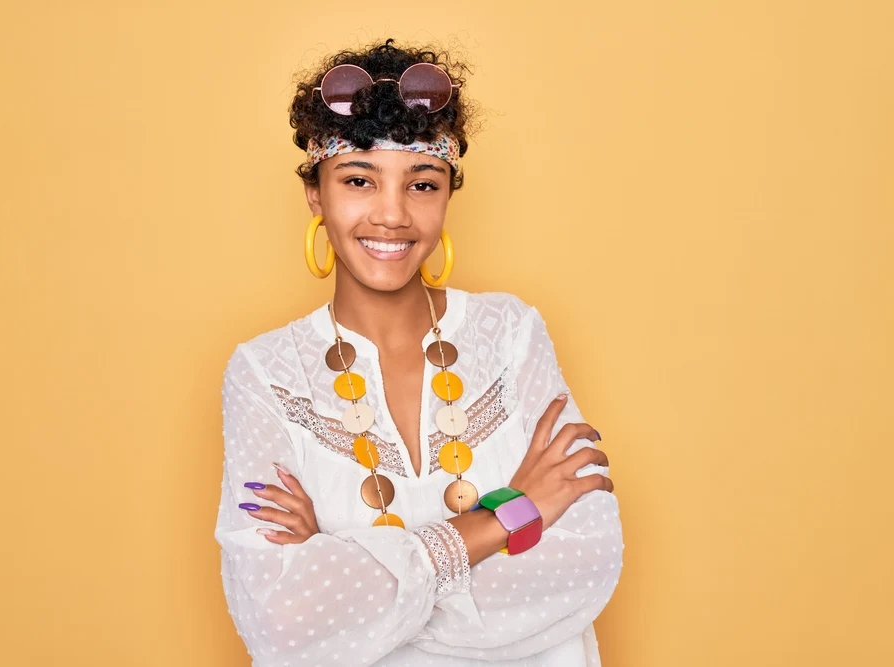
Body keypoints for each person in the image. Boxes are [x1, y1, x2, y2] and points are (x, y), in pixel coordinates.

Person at [214, 38, 624, 666]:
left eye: (422, 184)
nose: (392, 215)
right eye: (358, 181)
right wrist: (505, 519)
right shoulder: (265, 375)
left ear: (448, 197)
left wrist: (348, 570)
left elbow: (587, 557)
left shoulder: (511, 334)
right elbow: (281, 619)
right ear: (316, 196)